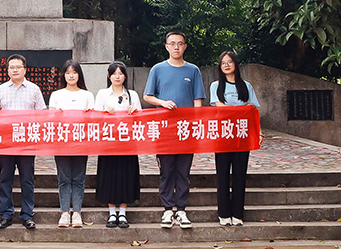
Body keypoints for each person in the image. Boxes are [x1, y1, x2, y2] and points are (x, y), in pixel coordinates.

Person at [143, 28, 205, 229]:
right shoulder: (157, 69)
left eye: (179, 43)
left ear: (185, 47)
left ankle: (182, 209)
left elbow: (198, 100)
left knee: (183, 170)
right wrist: (162, 103)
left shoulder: (193, 70)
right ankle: (168, 209)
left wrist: (196, 125)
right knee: (167, 169)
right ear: (166, 46)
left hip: (186, 130)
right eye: (172, 43)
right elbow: (147, 96)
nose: (176, 47)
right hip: (164, 130)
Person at [0, 53, 46, 230]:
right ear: (7, 70)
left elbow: (42, 116)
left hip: (27, 143)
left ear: (25, 69)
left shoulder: (34, 89)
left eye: (18, 67)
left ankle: (27, 215)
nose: (14, 70)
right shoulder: (0, 89)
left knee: (27, 180)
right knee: (5, 179)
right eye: (11, 67)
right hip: (6, 143)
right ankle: (6, 215)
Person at [210, 50, 263, 227]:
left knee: (240, 175)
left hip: (242, 136)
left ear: (235, 64)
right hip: (223, 136)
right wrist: (239, 109)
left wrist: (259, 132)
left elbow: (253, 111)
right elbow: (219, 108)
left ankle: (238, 214)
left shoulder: (246, 86)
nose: (226, 65)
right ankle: (223, 213)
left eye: (229, 62)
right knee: (222, 176)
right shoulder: (215, 86)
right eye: (223, 62)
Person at [94, 61, 141, 229]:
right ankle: (111, 212)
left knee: (126, 175)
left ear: (125, 76)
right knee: (109, 175)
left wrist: (134, 112)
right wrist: (104, 112)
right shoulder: (102, 94)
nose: (117, 76)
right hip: (108, 143)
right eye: (114, 74)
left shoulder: (133, 95)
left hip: (128, 143)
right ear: (109, 76)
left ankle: (123, 213)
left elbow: (140, 118)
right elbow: (94, 117)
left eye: (120, 74)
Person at [49, 59, 94, 228]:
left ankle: (77, 213)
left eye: (74, 72)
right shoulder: (57, 95)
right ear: (63, 75)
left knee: (78, 178)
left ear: (79, 74)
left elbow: (94, 120)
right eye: (68, 72)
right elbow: (51, 119)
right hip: (61, 142)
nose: (71, 76)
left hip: (81, 142)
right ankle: (64, 213)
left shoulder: (87, 95)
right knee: (64, 178)